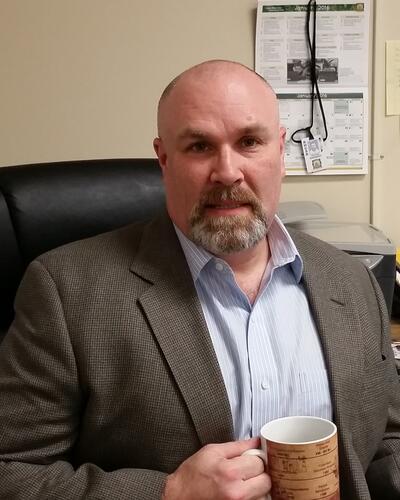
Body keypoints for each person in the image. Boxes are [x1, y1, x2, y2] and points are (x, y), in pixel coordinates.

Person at [0, 60, 399, 500]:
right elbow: (11, 469)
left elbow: (388, 441)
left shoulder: (351, 281)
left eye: (249, 141)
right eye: (199, 146)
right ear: (164, 158)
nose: (227, 172)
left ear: (281, 152)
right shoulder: (66, 290)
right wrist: (168, 492)